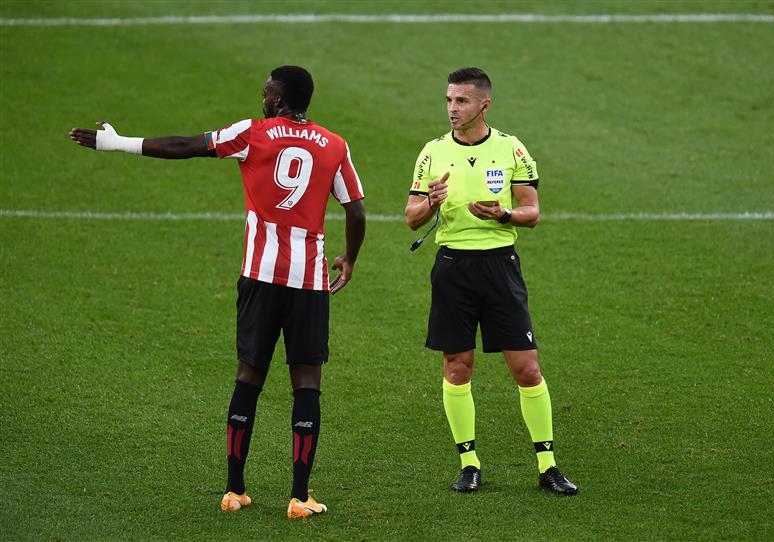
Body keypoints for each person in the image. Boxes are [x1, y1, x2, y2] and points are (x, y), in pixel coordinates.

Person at [69, 65, 366, 518]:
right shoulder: (335, 144)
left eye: (267, 93)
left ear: (281, 99)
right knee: (306, 383)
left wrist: (118, 142)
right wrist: (350, 257)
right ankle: (300, 497)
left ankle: (234, 490)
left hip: (258, 277)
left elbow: (188, 146)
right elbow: (356, 208)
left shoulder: (253, 133)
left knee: (249, 375)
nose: (262, 98)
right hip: (308, 282)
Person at [405, 67, 576, 495]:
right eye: (448, 100)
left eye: (461, 101)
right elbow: (411, 218)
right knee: (457, 367)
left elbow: (532, 212)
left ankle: (548, 465)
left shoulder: (511, 149)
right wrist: (430, 200)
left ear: (485, 104)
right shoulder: (432, 153)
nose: (452, 109)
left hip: (500, 268)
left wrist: (502, 215)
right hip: (453, 269)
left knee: (527, 368)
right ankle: (468, 463)